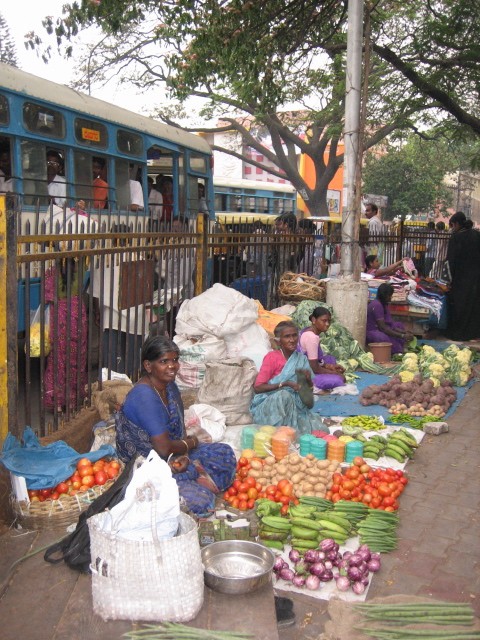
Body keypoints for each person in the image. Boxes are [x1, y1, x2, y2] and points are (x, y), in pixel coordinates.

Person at [115, 335, 236, 516]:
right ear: (148, 366)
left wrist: (184, 454)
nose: (172, 366)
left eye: (175, 360)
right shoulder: (144, 396)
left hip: (174, 454)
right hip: (148, 466)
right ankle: (193, 481)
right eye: (164, 361)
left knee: (224, 453)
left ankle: (193, 476)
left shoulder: (168, 386)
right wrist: (191, 443)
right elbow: (163, 450)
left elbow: (179, 431)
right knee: (198, 503)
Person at [250, 321, 328, 434]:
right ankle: (277, 430)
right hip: (271, 406)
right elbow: (258, 388)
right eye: (287, 336)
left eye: (294, 335)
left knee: (322, 431)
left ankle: (288, 429)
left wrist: (307, 386)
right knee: (284, 395)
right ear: (278, 341)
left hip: (296, 409)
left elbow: (308, 403)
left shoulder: (302, 360)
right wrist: (285, 384)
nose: (292, 340)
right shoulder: (272, 358)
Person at [445, 211, 480, 341]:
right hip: (476, 278)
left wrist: (447, 280)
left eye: (453, 225)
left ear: (457, 224)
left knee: (460, 306)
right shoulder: (477, 235)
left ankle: (460, 334)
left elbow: (450, 261)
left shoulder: (456, 238)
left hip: (461, 280)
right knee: (474, 306)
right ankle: (475, 334)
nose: (453, 228)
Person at [298, 307, 346, 391]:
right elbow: (314, 368)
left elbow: (317, 360)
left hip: (309, 363)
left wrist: (329, 366)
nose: (327, 324)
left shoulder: (309, 331)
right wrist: (335, 373)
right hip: (305, 372)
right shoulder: (311, 337)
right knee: (338, 380)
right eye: (324, 321)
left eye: (329, 321)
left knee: (330, 359)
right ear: (314, 320)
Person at [366, 283, 413, 354]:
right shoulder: (376, 305)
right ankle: (395, 351)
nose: (390, 298)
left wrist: (404, 332)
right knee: (384, 339)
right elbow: (383, 328)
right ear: (384, 295)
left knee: (399, 325)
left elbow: (390, 324)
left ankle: (400, 347)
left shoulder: (384, 304)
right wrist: (402, 335)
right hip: (373, 332)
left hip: (383, 329)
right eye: (389, 296)